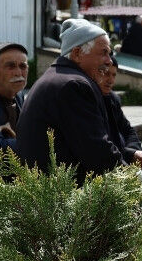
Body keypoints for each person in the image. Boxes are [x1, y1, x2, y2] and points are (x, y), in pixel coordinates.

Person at [16, 19, 128, 185]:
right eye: (104, 53)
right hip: (59, 194)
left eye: (109, 53)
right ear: (77, 53)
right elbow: (96, 151)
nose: (109, 61)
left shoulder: (59, 76)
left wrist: (130, 155)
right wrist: (133, 178)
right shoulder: (75, 86)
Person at [97, 56, 142, 176]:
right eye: (107, 74)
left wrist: (134, 150)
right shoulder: (91, 102)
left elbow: (128, 130)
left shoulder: (113, 99)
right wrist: (131, 154)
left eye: (114, 75)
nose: (110, 80)